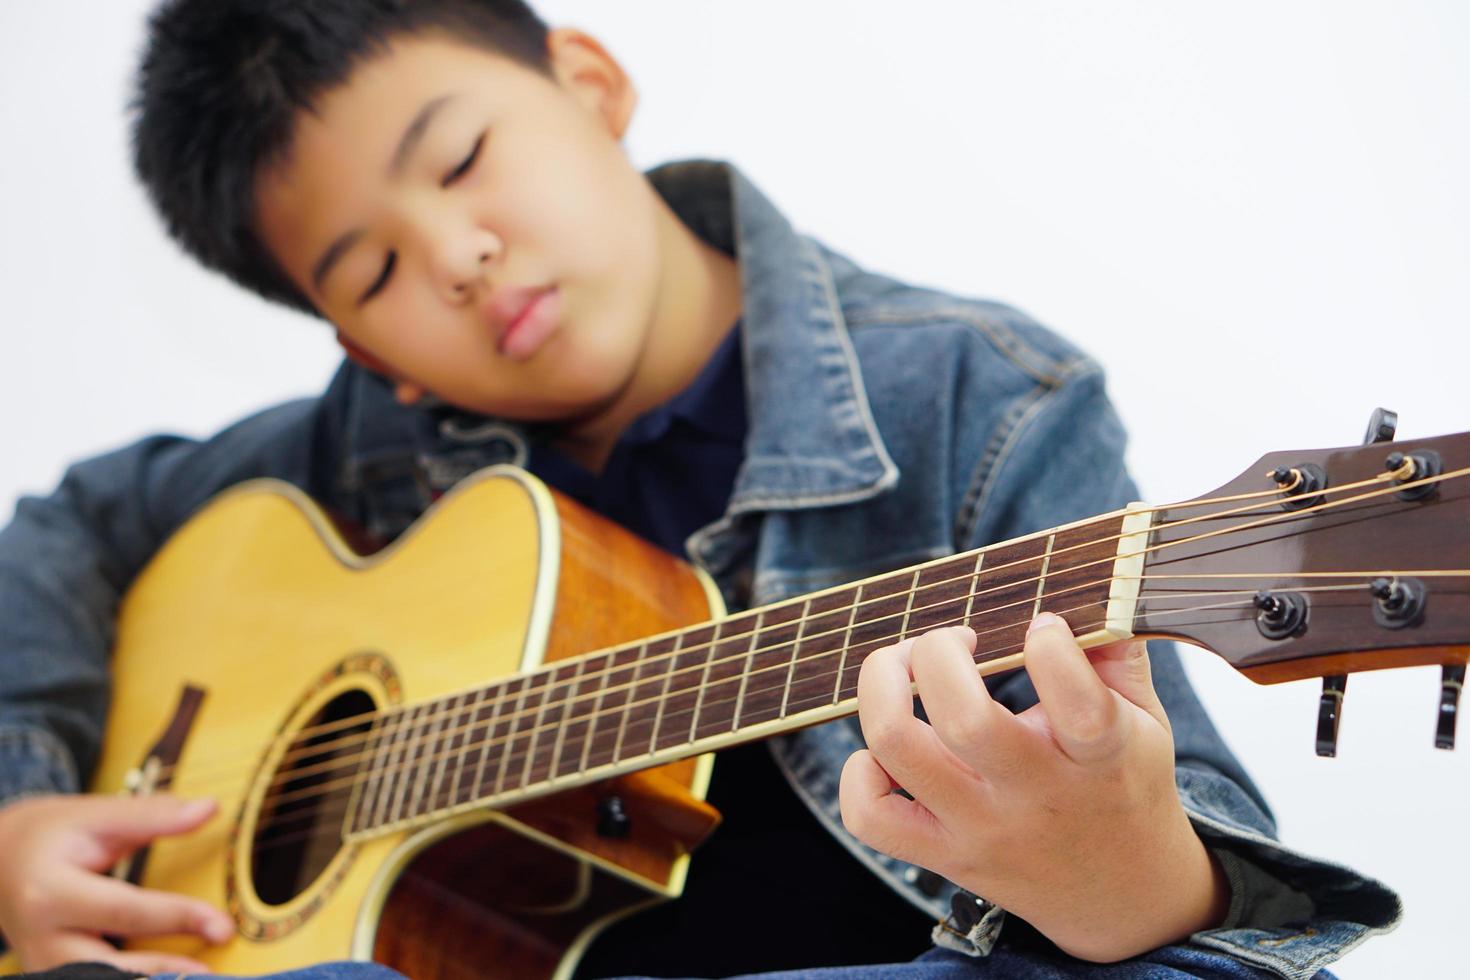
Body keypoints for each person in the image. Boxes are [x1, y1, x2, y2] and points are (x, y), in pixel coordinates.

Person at [0, 1, 1401, 978]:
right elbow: (67, 530)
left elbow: (1214, 905)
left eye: (464, 158)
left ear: (590, 84)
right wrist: (22, 807)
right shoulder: (357, 445)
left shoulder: (978, 403)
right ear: (371, 355)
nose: (459, 256)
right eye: (370, 273)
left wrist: (1123, 871)